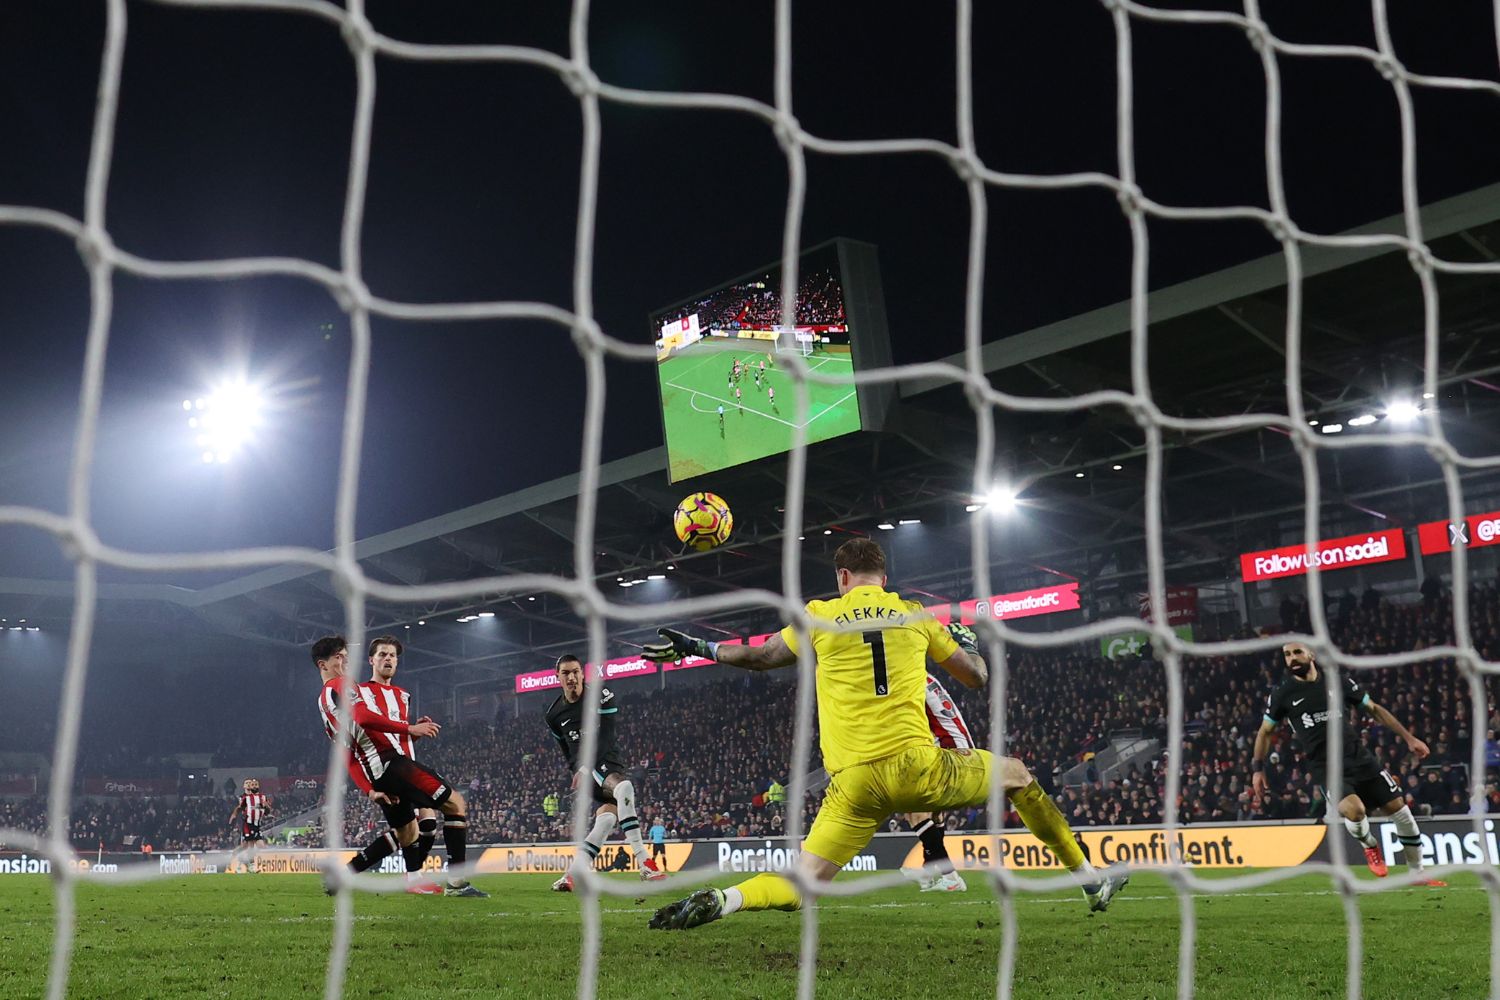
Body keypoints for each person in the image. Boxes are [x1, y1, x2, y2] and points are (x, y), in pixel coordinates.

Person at [641, 538, 1126, 930]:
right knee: (1018, 776)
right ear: (884, 578)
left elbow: (759, 658)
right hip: (919, 768)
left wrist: (698, 647)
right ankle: (1088, 878)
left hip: (853, 784)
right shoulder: (916, 615)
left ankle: (727, 898)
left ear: (843, 579)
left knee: (803, 883)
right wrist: (970, 643)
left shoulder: (819, 616)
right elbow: (975, 678)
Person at [1252, 641, 1445, 887]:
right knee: (1355, 811)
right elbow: (1265, 732)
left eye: (1297, 652)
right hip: (1326, 766)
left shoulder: (1337, 682)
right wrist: (1258, 769)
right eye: (1287, 655)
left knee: (1401, 812)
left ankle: (1417, 874)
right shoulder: (1282, 693)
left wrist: (1409, 738)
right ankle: (1369, 844)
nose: (1292, 658)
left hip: (1360, 758)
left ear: (1311, 654)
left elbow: (1374, 709)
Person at [314, 634, 488, 897]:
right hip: (391, 764)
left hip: (384, 768)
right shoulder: (349, 687)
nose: (345, 660)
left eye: (346, 656)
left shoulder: (326, 701)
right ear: (323, 664)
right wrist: (410, 727)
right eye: (338, 657)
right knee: (455, 804)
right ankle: (456, 881)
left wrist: (370, 788)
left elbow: (347, 750)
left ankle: (351, 875)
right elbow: (362, 719)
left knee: (408, 831)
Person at [544, 655, 667, 888]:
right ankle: (645, 863)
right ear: (557, 677)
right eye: (566, 673)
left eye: (575, 672)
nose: (571, 677)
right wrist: (577, 769)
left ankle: (571, 875)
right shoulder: (553, 715)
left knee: (607, 818)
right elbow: (566, 749)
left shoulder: (601, 695)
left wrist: (584, 766)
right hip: (585, 770)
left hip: (606, 760)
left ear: (582, 673)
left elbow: (607, 736)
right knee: (624, 788)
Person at [360, 636, 445, 895]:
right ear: (371, 660)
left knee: (426, 824)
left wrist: (416, 731)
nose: (388, 659)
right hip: (388, 769)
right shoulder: (361, 692)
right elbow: (368, 728)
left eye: (392, 655)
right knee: (412, 825)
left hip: (409, 763)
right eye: (383, 654)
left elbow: (399, 736)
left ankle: (412, 876)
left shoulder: (402, 695)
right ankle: (412, 878)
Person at [899, 671, 974, 892]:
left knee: (913, 809)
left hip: (948, 750)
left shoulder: (907, 679)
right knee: (933, 813)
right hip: (959, 747)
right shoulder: (925, 678)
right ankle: (929, 869)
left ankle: (950, 876)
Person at [227, 778, 270, 874]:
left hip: (255, 823)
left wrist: (264, 809)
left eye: (251, 783)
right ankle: (243, 864)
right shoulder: (243, 797)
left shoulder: (259, 797)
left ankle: (242, 863)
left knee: (246, 846)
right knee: (247, 846)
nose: (250, 784)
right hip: (246, 823)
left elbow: (264, 809)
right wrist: (234, 815)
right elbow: (241, 808)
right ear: (244, 786)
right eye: (247, 783)